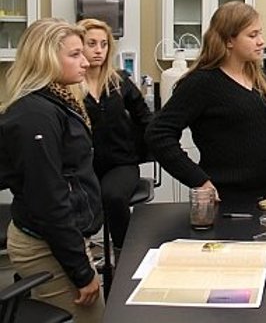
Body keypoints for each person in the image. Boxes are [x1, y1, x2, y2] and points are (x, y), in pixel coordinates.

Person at [0, 18, 104, 321]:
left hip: (59, 236)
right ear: (44, 57)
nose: (85, 61)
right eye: (74, 55)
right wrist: (82, 272)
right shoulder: (35, 115)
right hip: (45, 243)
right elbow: (49, 201)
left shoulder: (57, 100)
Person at [146, 1, 266, 200]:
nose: (261, 41)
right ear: (229, 41)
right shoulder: (202, 83)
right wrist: (198, 180)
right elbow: (157, 134)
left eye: (260, 33)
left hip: (265, 197)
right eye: (252, 35)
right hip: (226, 200)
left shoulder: (255, 78)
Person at [76, 18, 153, 251]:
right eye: (91, 44)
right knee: (75, 202)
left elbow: (146, 118)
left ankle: (124, 255)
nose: (99, 50)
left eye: (104, 44)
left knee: (113, 197)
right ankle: (80, 257)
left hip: (121, 164)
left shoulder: (119, 82)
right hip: (82, 167)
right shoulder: (70, 85)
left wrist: (147, 149)